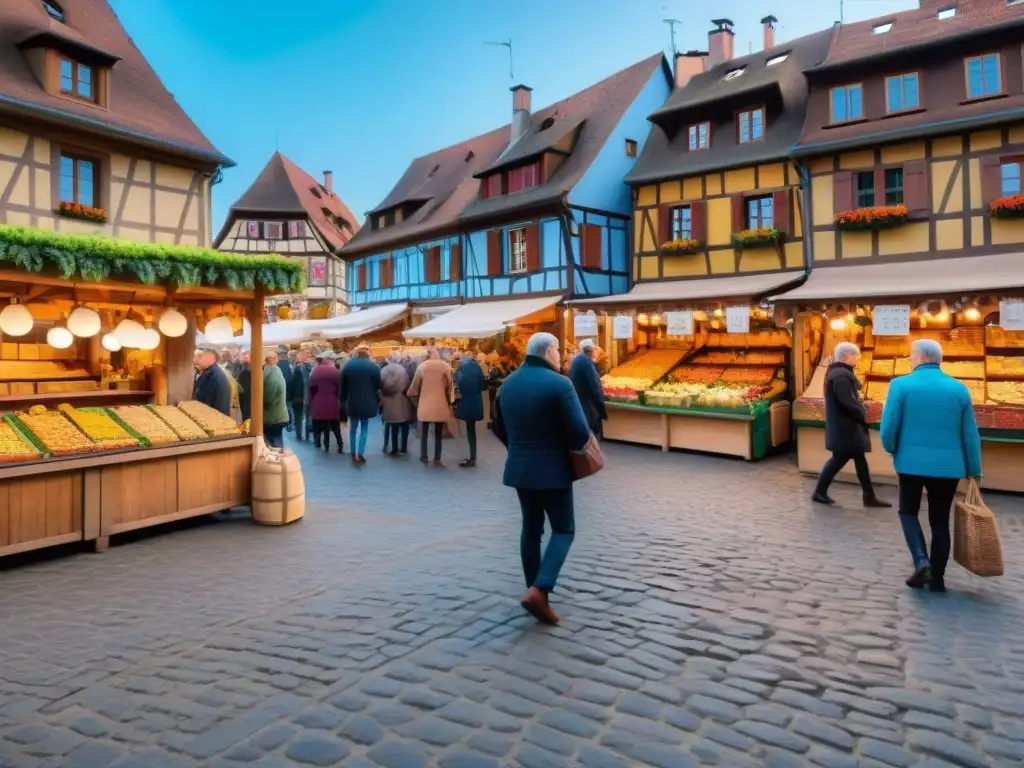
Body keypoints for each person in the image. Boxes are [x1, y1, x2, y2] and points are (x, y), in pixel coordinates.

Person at [493, 332, 592, 625]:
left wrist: (518, 448)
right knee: (563, 529)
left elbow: (498, 426)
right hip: (553, 469)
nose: (561, 355)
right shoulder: (560, 384)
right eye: (559, 349)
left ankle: (536, 593)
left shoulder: (508, 384)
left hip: (520, 468)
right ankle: (540, 588)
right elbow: (578, 430)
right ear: (548, 351)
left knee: (531, 530)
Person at [881, 338, 982, 593]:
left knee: (908, 512)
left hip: (910, 463)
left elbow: (889, 426)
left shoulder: (900, 385)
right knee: (939, 520)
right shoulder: (959, 389)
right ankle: (937, 578)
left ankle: (921, 560)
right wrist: (974, 469)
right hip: (948, 466)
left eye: (911, 356)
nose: (910, 360)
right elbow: (969, 433)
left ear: (920, 358)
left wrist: (892, 448)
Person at [812, 342, 891, 508]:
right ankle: (820, 492)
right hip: (846, 427)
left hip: (845, 427)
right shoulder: (841, 376)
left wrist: (861, 406)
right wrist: (863, 412)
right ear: (848, 356)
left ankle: (868, 496)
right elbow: (847, 402)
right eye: (856, 356)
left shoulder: (838, 373)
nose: (858, 359)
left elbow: (848, 400)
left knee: (854, 459)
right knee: (840, 459)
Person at [407, 348, 453, 467]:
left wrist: (410, 394)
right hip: (440, 403)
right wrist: (450, 400)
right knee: (438, 433)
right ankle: (437, 458)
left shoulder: (422, 366)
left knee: (424, 432)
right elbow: (450, 385)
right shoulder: (445, 366)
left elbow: (415, 385)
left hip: (425, 402)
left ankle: (424, 456)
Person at [340, 346, 381, 464]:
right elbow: (378, 386)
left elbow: (343, 387)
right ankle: (360, 453)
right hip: (368, 402)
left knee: (353, 429)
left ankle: (353, 453)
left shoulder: (348, 366)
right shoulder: (374, 367)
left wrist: (342, 400)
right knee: (364, 428)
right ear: (367, 356)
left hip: (352, 401)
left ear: (356, 355)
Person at [569, 339, 608, 436]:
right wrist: (602, 409)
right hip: (584, 396)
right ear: (591, 350)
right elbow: (594, 383)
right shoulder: (585, 361)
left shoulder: (577, 358)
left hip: (578, 393)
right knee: (586, 417)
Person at [308, 350, 343, 452]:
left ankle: (319, 442)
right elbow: (339, 387)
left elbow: (311, 387)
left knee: (319, 424)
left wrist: (310, 400)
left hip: (318, 402)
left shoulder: (315, 370)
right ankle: (340, 444)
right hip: (332, 402)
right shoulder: (335, 371)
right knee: (335, 426)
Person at [455, 350, 485, 467]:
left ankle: (471, 456)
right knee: (471, 429)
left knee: (468, 429)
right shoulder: (478, 368)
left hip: (464, 401)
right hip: (476, 402)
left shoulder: (461, 368)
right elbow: (482, 386)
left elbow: (458, 384)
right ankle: (472, 455)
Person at [380, 352, 415, 456]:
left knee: (393, 425)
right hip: (401, 400)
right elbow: (407, 384)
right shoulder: (402, 370)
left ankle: (393, 448)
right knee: (404, 425)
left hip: (389, 401)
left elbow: (381, 384)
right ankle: (403, 447)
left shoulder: (384, 370)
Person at [262, 351, 290, 448]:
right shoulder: (276, 371)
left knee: (274, 445)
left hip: (273, 417)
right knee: (276, 441)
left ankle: (278, 461)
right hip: (277, 416)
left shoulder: (271, 375)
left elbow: (268, 398)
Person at [193, 349, 231, 416]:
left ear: (212, 358)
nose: (196, 360)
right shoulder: (207, 372)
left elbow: (220, 407)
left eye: (200, 357)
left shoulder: (216, 377)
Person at [290, 349, 313, 441]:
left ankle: (299, 434)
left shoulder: (297, 369)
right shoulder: (311, 368)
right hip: (309, 396)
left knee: (298, 417)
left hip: (298, 396)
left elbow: (294, 384)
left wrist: (292, 396)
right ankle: (307, 434)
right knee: (307, 416)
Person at [277, 346, 295, 431]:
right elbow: (291, 378)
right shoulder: (289, 364)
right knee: (289, 409)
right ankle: (289, 424)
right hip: (289, 391)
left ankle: (283, 423)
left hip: (279, 392)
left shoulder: (276, 365)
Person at [237, 351, 252, 423]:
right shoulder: (243, 372)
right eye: (244, 357)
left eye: (246, 357)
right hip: (246, 407)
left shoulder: (245, 373)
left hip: (248, 408)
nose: (244, 359)